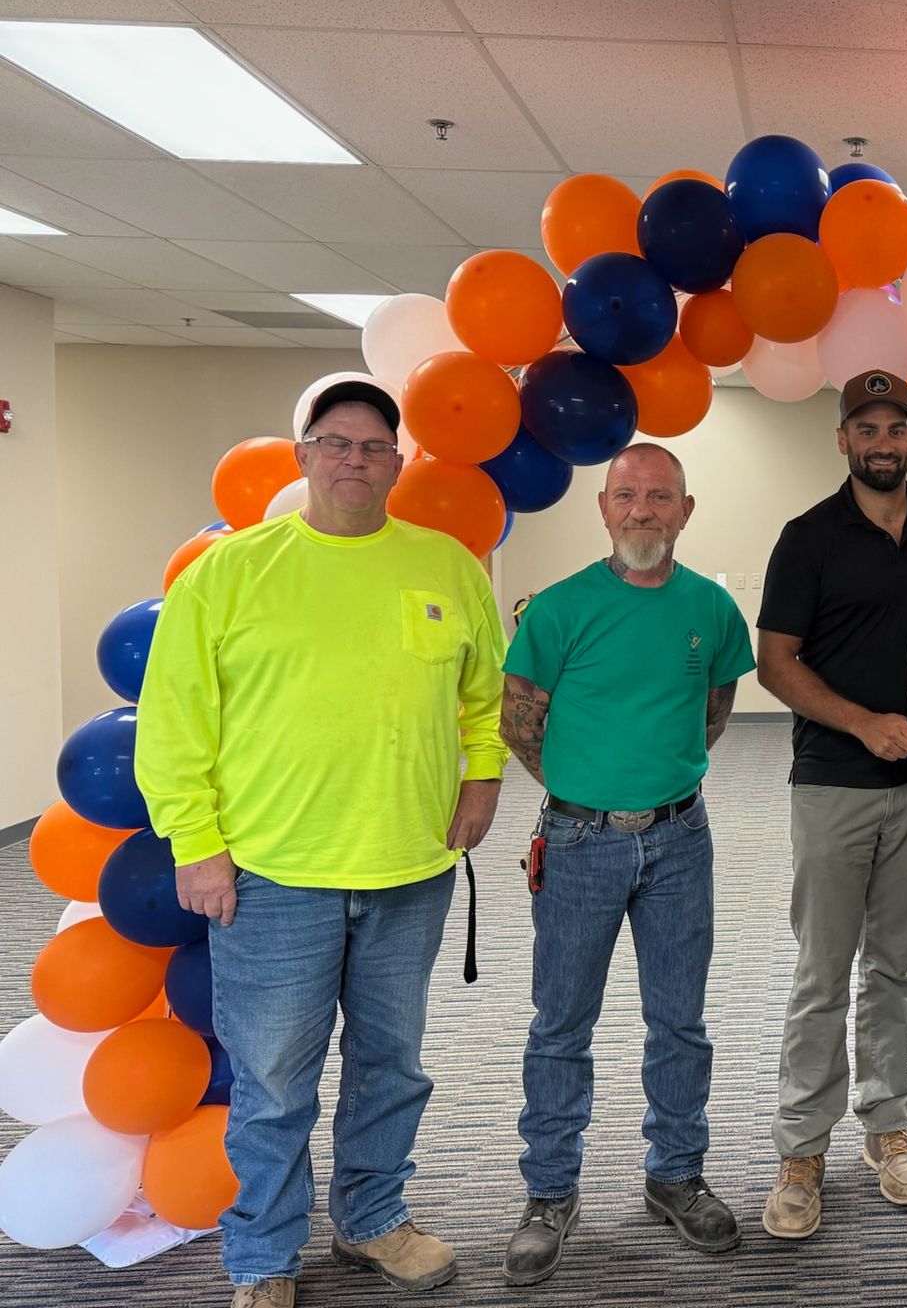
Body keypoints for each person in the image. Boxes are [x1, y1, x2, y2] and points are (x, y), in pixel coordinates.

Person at [136, 381, 506, 1308]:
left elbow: (482, 695)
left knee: (392, 1066)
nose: (355, 461)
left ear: (399, 462)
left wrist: (481, 774)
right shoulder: (227, 574)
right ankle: (263, 1257)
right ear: (302, 456)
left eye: (375, 446)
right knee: (272, 1082)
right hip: (272, 877)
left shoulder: (449, 566)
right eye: (336, 443)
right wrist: (196, 843)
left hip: (409, 868)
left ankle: (372, 1219)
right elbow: (175, 721)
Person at [497, 443, 754, 1283]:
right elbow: (519, 724)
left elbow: (713, 713)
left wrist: (652, 788)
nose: (643, 510)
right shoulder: (560, 610)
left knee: (679, 1020)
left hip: (682, 839)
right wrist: (588, 793)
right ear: (604, 509)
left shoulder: (712, 610)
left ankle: (675, 1175)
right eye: (627, 496)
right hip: (578, 842)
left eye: (661, 497)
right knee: (561, 1024)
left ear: (686, 511)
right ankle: (549, 1192)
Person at [755, 368, 907, 1241]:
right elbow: (777, 661)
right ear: (842, 439)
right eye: (867, 430)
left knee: (891, 969)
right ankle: (801, 1149)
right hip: (834, 786)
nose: (883, 444)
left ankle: (888, 1129)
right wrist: (864, 723)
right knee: (821, 973)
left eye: (897, 429)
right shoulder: (807, 537)